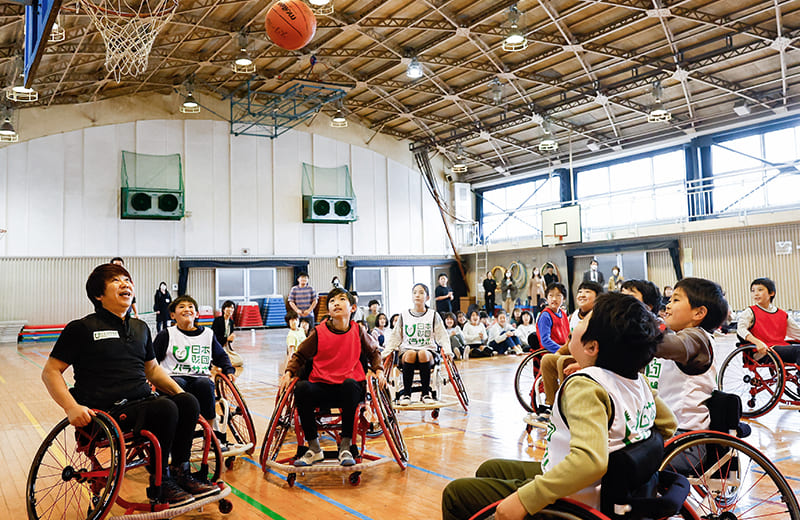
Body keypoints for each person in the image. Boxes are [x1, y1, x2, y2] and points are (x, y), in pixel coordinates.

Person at [441, 293, 677, 520]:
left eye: (585, 319)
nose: (577, 321)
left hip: (578, 499)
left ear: (592, 347)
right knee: (490, 468)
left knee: (456, 493)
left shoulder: (586, 387)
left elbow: (589, 462)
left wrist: (524, 500)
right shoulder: (637, 381)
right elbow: (669, 424)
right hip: (608, 488)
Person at [41, 263, 217, 506]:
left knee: (186, 401)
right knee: (165, 408)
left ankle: (181, 472)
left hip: (142, 403)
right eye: (116, 280)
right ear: (98, 295)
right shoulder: (81, 328)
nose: (125, 284)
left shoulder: (140, 328)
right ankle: (160, 482)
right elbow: (51, 372)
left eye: (127, 279)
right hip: (106, 412)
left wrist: (180, 394)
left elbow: (153, 370)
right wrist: (71, 407)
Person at [279, 287, 384, 467]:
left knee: (350, 385)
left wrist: (379, 369)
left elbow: (374, 352)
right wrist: (288, 372)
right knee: (302, 388)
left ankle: (345, 446)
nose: (336, 303)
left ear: (352, 308)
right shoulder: (319, 332)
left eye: (342, 299)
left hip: (349, 389)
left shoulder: (358, 331)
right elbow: (299, 355)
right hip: (323, 386)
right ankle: (314, 448)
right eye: (332, 301)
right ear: (328, 310)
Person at [154, 294, 237, 451]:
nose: (187, 309)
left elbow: (220, 356)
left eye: (191, 306)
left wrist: (229, 369)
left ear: (197, 314)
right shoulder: (166, 334)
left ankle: (212, 435)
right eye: (182, 307)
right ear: (173, 315)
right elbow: (151, 360)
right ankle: (172, 439)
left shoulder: (207, 334)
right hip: (173, 377)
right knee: (177, 384)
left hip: (199, 377)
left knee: (205, 384)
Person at [644, 277, 727, 431]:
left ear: (699, 313)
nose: (667, 306)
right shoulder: (673, 334)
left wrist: (638, 322)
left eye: (675, 300)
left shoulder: (698, 338)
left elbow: (669, 345)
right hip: (659, 428)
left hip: (685, 435)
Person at [533, 281, 603, 428]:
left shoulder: (599, 316)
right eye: (580, 291)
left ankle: (567, 406)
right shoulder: (574, 316)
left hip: (595, 359)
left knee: (561, 362)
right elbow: (569, 342)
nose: (582, 294)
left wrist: (581, 362)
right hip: (569, 352)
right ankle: (551, 405)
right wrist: (558, 352)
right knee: (548, 359)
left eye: (587, 292)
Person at [384, 283, 452, 405]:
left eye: (421, 292)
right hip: (407, 350)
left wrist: (448, 351)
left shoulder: (433, 315)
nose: (417, 295)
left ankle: (426, 394)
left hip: (428, 351)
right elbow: (395, 336)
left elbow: (442, 335)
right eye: (415, 292)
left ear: (427, 297)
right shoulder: (404, 314)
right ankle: (406, 394)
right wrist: (386, 352)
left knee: (422, 354)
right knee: (410, 354)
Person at [736, 277, 800, 364]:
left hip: (780, 348)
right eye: (753, 290)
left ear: (771, 293)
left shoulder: (782, 314)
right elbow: (741, 330)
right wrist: (757, 342)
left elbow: (797, 332)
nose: (756, 294)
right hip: (762, 351)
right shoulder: (750, 312)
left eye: (760, 290)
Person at [536, 283, 569, 354]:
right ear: (547, 299)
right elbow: (545, 341)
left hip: (564, 350)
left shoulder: (563, 314)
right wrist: (563, 350)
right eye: (551, 296)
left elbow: (568, 336)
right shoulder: (545, 315)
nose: (554, 299)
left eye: (558, 295)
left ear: (564, 299)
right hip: (550, 352)